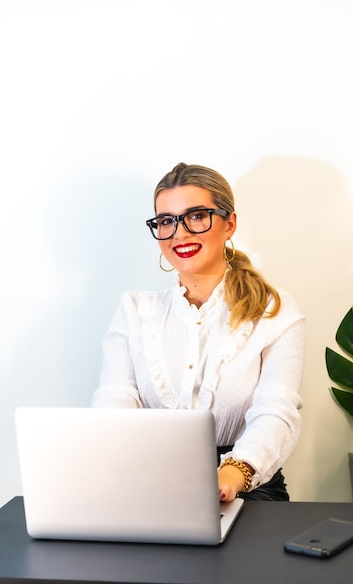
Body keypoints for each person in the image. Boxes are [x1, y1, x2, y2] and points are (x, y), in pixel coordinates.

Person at [92, 162, 305, 502]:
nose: (179, 233)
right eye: (166, 221)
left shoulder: (275, 311)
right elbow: (115, 400)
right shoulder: (134, 310)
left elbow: (276, 411)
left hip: (245, 487)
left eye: (196, 216)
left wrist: (231, 475)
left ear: (229, 223)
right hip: (150, 483)